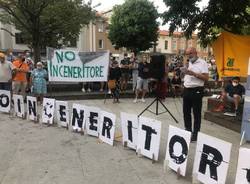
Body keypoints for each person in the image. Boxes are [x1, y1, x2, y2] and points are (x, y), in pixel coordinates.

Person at [182, 47, 209, 142]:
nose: (188, 55)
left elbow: (206, 78)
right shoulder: (188, 62)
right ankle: (188, 131)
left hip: (197, 90)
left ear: (195, 52)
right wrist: (183, 72)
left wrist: (193, 73)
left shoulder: (203, 63)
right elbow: (185, 75)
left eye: (190, 53)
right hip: (186, 89)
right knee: (186, 112)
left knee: (196, 113)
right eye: (187, 54)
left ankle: (196, 134)